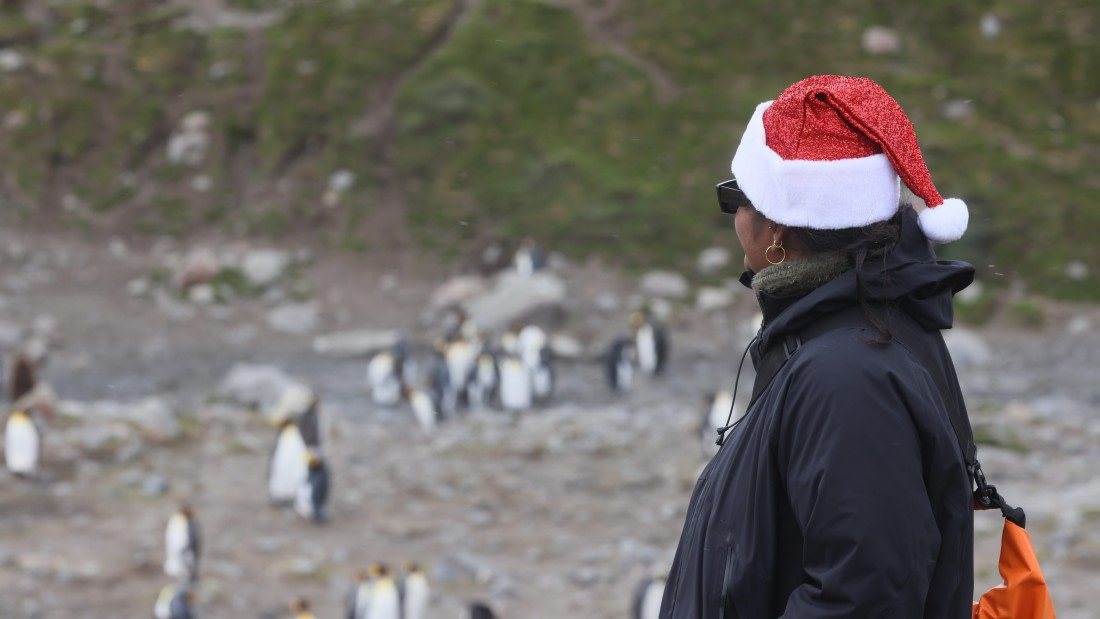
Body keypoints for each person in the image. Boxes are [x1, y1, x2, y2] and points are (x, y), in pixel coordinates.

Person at [660, 75, 977, 618]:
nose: (733, 219)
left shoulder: (848, 376)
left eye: (736, 197)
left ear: (778, 229)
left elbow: (864, 597)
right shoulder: (862, 331)